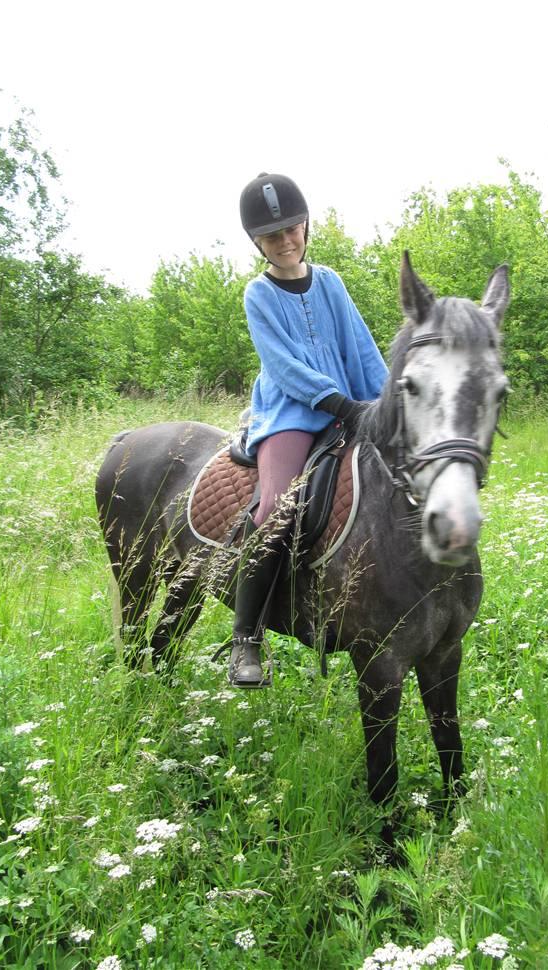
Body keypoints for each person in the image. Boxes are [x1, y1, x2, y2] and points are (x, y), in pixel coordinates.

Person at [229, 172, 388, 687]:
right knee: (276, 507)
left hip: (351, 403)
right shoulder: (258, 295)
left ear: (305, 227)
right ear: (259, 243)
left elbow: (359, 346)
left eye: (291, 229)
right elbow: (281, 366)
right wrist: (335, 401)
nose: (285, 241)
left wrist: (386, 401)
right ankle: (245, 638)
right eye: (272, 236)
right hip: (291, 413)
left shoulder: (332, 282)